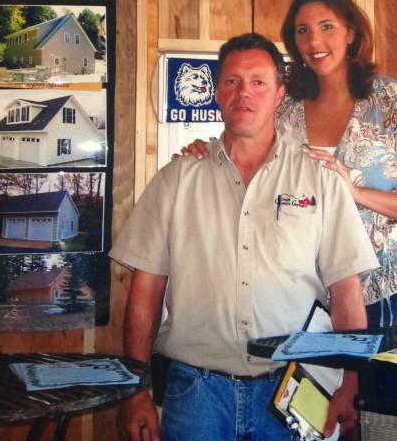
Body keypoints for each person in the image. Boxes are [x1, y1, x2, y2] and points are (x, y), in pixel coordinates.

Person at [111, 33, 378, 441]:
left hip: (291, 391)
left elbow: (347, 291)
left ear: (279, 94)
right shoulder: (176, 179)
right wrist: (136, 390)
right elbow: (145, 289)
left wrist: (350, 384)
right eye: (232, 81)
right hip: (195, 394)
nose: (244, 93)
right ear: (217, 92)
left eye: (258, 82)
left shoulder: (320, 179)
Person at [182, 0, 397, 330]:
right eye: (302, 31)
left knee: (378, 387)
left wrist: (356, 194)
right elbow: (244, 155)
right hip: (299, 297)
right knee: (309, 387)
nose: (314, 42)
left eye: (327, 26)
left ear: (352, 32)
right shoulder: (285, 110)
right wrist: (202, 151)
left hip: (384, 296)